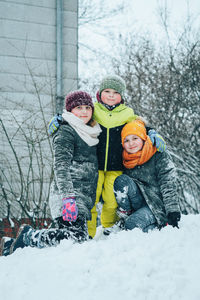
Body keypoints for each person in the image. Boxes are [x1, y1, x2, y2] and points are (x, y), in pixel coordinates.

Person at [48, 75, 166, 238]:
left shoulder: (128, 114)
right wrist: (60, 119)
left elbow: (138, 127)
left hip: (116, 166)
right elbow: (77, 118)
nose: (111, 95)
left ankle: (109, 231)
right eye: (107, 91)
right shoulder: (93, 110)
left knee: (111, 201)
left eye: (116, 92)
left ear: (122, 96)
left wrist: (151, 131)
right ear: (99, 93)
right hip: (94, 166)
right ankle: (87, 234)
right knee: (91, 200)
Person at [0, 91, 101, 256]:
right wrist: (68, 198)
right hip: (68, 197)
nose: (84, 111)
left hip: (82, 197)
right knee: (77, 238)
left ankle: (11, 245)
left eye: (87, 107)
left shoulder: (90, 132)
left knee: (71, 243)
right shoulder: (66, 131)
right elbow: (61, 166)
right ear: (69, 110)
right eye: (78, 107)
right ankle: (29, 237)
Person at [113, 120, 181, 233]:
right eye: (127, 140)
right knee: (121, 181)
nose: (131, 143)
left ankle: (156, 227)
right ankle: (126, 217)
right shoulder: (126, 158)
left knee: (131, 225)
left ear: (143, 138)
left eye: (135, 138)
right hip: (138, 202)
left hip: (156, 205)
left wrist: (172, 211)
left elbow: (168, 183)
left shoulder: (158, 153)